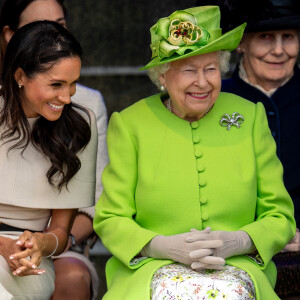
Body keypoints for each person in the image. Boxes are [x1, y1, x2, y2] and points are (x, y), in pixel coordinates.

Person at [93, 5, 295, 300]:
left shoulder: (249, 116)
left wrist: (239, 241)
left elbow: (281, 215)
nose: (202, 82)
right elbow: (111, 218)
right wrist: (161, 245)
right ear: (162, 76)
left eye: (210, 69)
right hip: (152, 268)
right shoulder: (130, 124)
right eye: (189, 70)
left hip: (237, 266)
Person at [0, 0, 109, 299]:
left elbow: (61, 232)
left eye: (73, 84)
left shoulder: (79, 126)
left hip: (32, 264)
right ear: (20, 76)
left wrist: (39, 245)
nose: (66, 97)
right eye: (56, 84)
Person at [194, 0, 300, 298]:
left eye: (288, 37)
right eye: (266, 38)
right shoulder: (209, 96)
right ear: (241, 44)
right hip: (228, 241)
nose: (279, 50)